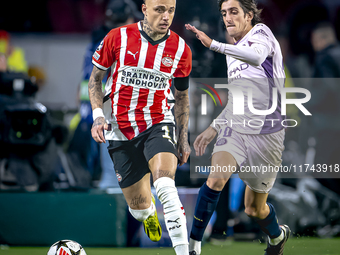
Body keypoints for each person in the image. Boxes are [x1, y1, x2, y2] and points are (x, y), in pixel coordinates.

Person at [185, 0, 290, 254]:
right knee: (215, 178)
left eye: (234, 12)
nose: (228, 18)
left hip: (268, 134)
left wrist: (214, 45)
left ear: (249, 15)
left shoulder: (261, 34)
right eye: (224, 13)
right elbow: (236, 102)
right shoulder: (233, 51)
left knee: (254, 208)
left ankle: (277, 237)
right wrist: (214, 127)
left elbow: (256, 57)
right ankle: (193, 246)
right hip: (238, 129)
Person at [88, 0, 192, 254]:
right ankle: (147, 215)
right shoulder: (117, 37)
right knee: (139, 209)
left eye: (171, 10)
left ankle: (185, 250)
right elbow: (95, 80)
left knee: (165, 185)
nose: (166, 16)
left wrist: (183, 138)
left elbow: (181, 97)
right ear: (145, 9)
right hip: (119, 129)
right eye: (160, 10)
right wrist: (98, 116)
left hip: (158, 122)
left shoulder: (180, 48)